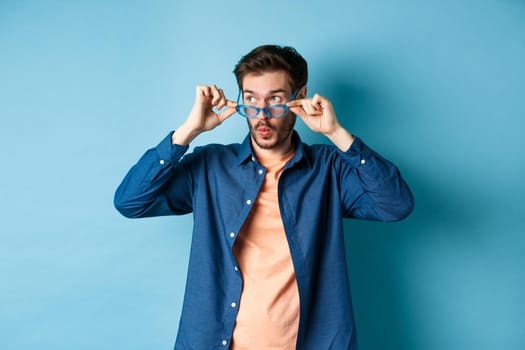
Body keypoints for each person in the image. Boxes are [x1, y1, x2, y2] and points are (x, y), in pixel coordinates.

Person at [114, 45, 414, 350]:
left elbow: (396, 204)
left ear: (300, 95)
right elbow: (131, 201)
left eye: (275, 100)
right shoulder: (210, 166)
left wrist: (337, 133)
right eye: (251, 99)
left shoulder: (329, 170)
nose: (262, 115)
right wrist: (188, 132)